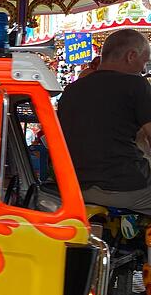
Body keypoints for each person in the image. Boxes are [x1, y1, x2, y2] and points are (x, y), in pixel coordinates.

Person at [58, 29, 151, 213]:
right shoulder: (136, 85)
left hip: (76, 187)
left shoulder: (71, 91)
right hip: (125, 187)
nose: (143, 69)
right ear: (131, 56)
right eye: (144, 62)